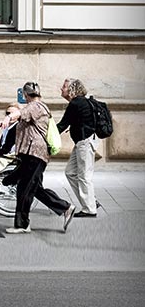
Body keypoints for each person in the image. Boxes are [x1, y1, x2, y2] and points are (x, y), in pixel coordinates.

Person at [3, 82, 75, 234]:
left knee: (25, 189)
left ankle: (23, 225)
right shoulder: (39, 107)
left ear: (25, 95)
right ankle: (65, 208)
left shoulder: (35, 106)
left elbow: (19, 114)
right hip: (33, 155)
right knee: (32, 188)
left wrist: (8, 118)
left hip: (34, 155)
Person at [58, 78, 99, 218]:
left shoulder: (76, 103)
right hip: (82, 142)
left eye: (64, 87)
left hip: (85, 142)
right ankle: (91, 200)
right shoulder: (80, 103)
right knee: (70, 172)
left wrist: (46, 136)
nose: (61, 89)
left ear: (71, 90)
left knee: (84, 176)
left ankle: (90, 209)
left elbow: (62, 124)